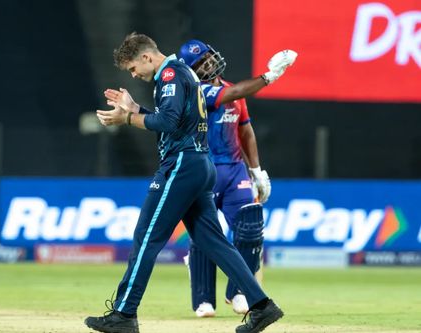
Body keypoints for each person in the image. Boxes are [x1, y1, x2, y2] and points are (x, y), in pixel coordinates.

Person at [84, 32, 285, 333]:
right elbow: (176, 121)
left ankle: (124, 315)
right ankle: (262, 306)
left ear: (146, 57)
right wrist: (135, 109)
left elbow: (166, 123)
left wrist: (125, 120)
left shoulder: (169, 74)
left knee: (146, 237)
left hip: (182, 165)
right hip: (201, 164)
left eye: (133, 68)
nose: (134, 74)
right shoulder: (181, 73)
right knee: (213, 241)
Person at [177, 40, 297, 317]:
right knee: (206, 234)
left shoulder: (234, 92)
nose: (207, 63)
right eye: (200, 62)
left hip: (234, 172)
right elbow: (235, 92)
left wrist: (256, 171)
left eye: (208, 57)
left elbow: (246, 132)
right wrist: (269, 76)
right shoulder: (196, 92)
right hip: (204, 171)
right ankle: (204, 299)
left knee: (251, 227)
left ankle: (240, 291)